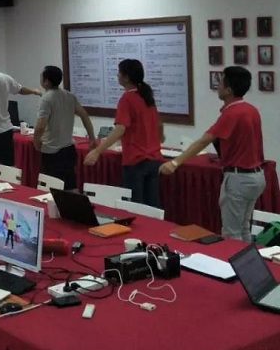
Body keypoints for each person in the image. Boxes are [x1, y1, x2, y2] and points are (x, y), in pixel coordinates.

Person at [160, 67, 265, 241]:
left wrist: (174, 163)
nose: (218, 86)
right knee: (244, 228)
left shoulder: (232, 113)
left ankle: (232, 259)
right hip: (256, 176)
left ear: (229, 90)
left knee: (231, 233)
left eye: (221, 82)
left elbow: (205, 140)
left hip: (239, 178)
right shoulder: (251, 110)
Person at [83, 59, 164, 208]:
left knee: (136, 207)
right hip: (154, 158)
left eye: (119, 73)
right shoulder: (147, 97)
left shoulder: (127, 99)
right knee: (153, 206)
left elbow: (120, 129)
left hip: (136, 159)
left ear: (126, 77)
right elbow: (159, 124)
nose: (117, 76)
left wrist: (97, 151)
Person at [33, 66, 96, 191]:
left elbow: (40, 126)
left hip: (52, 150)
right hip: (68, 149)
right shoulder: (69, 96)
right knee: (69, 186)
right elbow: (84, 115)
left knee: (51, 189)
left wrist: (36, 142)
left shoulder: (46, 98)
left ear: (46, 81)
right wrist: (92, 137)